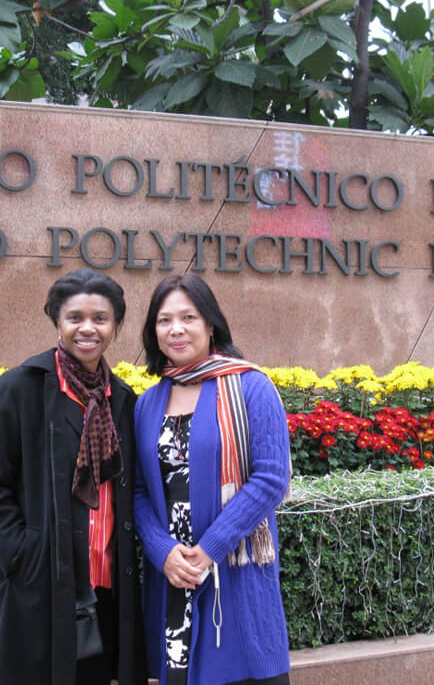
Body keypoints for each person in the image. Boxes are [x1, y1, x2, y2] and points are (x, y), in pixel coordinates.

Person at [0, 268, 146, 685]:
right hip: (40, 585)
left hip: (102, 583)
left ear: (116, 326)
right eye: (75, 318)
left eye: (101, 318)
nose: (88, 329)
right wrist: (21, 553)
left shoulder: (120, 399)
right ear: (57, 322)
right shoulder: (22, 388)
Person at [134, 273, 292, 685]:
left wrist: (208, 550)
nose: (177, 329)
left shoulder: (251, 386)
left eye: (189, 316)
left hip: (234, 567)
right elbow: (136, 490)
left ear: (211, 324)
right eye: (164, 320)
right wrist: (163, 551)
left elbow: (271, 477)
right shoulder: (148, 403)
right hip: (173, 575)